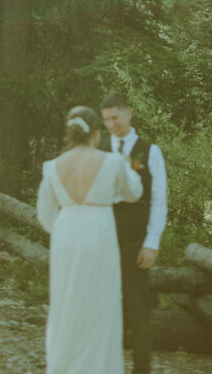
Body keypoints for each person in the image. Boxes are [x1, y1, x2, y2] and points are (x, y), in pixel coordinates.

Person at [36, 105, 143, 374]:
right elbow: (133, 192)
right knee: (100, 303)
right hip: (100, 232)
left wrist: (64, 231)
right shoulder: (112, 161)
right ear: (95, 132)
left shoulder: (52, 167)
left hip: (66, 233)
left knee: (66, 301)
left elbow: (45, 214)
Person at [100, 92, 167, 374]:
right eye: (106, 120)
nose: (112, 124)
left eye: (115, 117)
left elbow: (159, 201)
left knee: (138, 309)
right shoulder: (100, 149)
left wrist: (151, 244)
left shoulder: (149, 151)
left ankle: (141, 369)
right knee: (103, 307)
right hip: (101, 240)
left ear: (129, 114)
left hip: (134, 240)